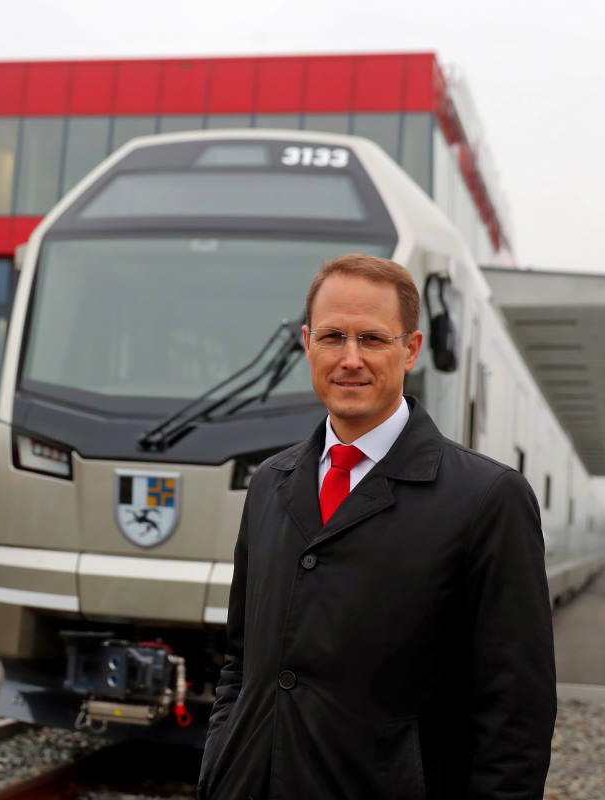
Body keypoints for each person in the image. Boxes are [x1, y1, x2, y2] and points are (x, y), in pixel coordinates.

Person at [197, 255, 556, 800]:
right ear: (306, 343)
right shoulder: (270, 484)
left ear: (410, 349)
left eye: (372, 339)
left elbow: (515, 712)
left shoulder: (488, 499)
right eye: (332, 336)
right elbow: (241, 661)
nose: (349, 359)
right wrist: (220, 765)